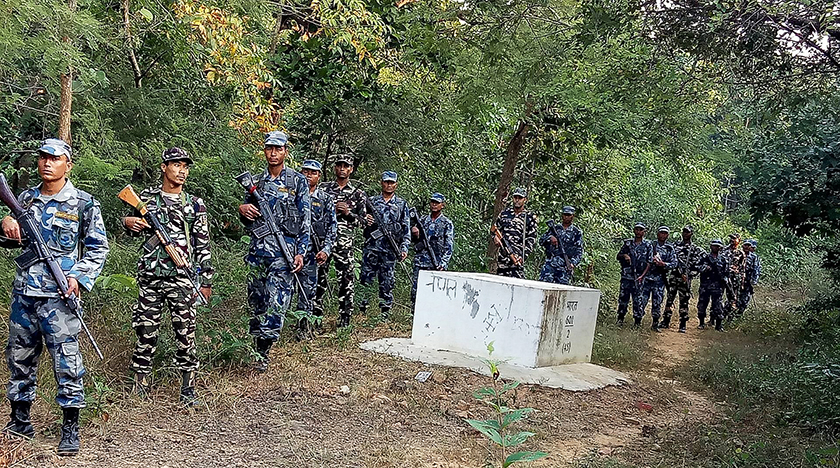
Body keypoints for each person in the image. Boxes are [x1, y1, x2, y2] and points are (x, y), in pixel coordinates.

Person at [1, 138, 109, 455]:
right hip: (25, 295)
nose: (48, 163)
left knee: (67, 363)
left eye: (55, 158)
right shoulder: (24, 199)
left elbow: (98, 248)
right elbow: (13, 242)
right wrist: (5, 222)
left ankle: (70, 429)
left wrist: (78, 276)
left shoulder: (83, 203)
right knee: (19, 360)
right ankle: (20, 422)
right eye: (43, 157)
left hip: (59, 299)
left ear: (68, 164)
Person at [123, 147, 213, 404]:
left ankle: (188, 387)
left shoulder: (194, 204)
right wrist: (128, 222)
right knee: (145, 330)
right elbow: (132, 228)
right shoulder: (147, 199)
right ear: (164, 167)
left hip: (181, 277)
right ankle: (140, 385)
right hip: (150, 276)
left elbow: (202, 244)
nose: (181, 170)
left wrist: (205, 279)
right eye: (176, 165)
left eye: (185, 166)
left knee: (186, 332)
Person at [238, 131, 310, 371]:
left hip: (283, 251)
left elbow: (305, 219)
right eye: (269, 148)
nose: (273, 153)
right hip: (258, 251)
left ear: (285, 152)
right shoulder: (256, 181)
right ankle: (256, 343)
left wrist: (300, 252)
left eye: (278, 149)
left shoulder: (297, 181)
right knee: (256, 299)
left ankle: (264, 350)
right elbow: (246, 217)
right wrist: (243, 209)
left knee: (276, 300)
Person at [320, 154, 366, 328]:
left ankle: (345, 319)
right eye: (339, 165)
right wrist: (331, 208)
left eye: (345, 166)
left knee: (346, 281)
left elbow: (363, 223)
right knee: (319, 279)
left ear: (351, 169)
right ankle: (314, 318)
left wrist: (348, 213)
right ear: (334, 168)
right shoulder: (323, 189)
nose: (342, 168)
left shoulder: (358, 194)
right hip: (323, 241)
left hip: (345, 244)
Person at [360, 171, 410, 321]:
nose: (389, 185)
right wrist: (365, 218)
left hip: (389, 250)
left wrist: (404, 248)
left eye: (391, 182)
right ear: (381, 183)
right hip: (371, 248)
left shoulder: (401, 204)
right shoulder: (372, 201)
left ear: (396, 184)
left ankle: (385, 313)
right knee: (366, 279)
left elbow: (406, 228)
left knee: (387, 281)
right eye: (386, 182)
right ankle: (362, 310)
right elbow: (360, 219)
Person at [298, 160, 337, 336]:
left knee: (308, 292)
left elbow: (332, 227)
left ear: (319, 176)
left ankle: (303, 328)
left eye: (312, 172)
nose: (308, 175)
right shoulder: (292, 194)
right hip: (290, 250)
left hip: (313, 252)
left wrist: (326, 250)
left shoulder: (325, 199)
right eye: (305, 171)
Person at [410, 193, 454, 305]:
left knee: (434, 294)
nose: (434, 205)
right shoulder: (423, 220)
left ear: (442, 205)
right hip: (420, 262)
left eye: (437, 203)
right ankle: (414, 317)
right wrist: (415, 233)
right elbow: (413, 240)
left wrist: (443, 264)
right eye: (432, 202)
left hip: (436, 263)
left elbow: (449, 246)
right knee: (416, 292)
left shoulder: (446, 223)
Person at [664, 225, 705, 333]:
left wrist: (690, 274)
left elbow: (699, 264)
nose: (685, 234)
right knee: (669, 299)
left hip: (685, 279)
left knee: (684, 302)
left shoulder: (695, 249)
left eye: (687, 232)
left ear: (691, 233)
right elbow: (670, 259)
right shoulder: (675, 245)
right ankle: (665, 321)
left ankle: (682, 324)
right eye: (684, 232)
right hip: (674, 277)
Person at [493, 187, 537, 278]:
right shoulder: (505, 213)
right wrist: (495, 238)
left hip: (516, 257)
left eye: (520, 198)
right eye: (515, 197)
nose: (517, 200)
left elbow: (531, 240)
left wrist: (522, 257)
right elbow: (494, 229)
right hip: (503, 257)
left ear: (525, 199)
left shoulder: (529, 217)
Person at [639, 226, 677, 331]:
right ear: (657, 234)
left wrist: (663, 264)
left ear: (668, 235)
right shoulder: (650, 245)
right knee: (641, 301)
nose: (663, 235)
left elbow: (674, 263)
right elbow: (641, 258)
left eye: (665, 233)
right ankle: (637, 322)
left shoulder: (669, 248)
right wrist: (650, 260)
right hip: (647, 278)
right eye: (661, 233)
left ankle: (655, 324)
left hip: (660, 280)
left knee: (657, 302)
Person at [616, 223, 652, 327]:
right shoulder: (627, 243)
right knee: (623, 298)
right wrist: (625, 255)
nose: (638, 232)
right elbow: (618, 256)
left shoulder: (648, 245)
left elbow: (649, 262)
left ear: (644, 232)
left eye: (641, 230)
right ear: (634, 230)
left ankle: (637, 322)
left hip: (639, 276)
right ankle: (620, 319)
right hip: (626, 276)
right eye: (637, 229)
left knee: (638, 300)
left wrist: (642, 276)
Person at [538, 205, 583, 285]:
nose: (566, 217)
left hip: (565, 267)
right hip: (551, 264)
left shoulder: (576, 232)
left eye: (569, 215)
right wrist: (550, 238)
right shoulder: (555, 228)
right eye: (565, 215)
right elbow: (541, 241)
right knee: (543, 287)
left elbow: (579, 252)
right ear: (562, 215)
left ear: (573, 216)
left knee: (562, 292)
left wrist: (572, 263)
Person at [697, 239, 730, 331]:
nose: (715, 247)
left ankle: (719, 325)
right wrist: (705, 268)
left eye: (717, 246)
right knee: (702, 304)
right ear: (711, 246)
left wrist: (725, 280)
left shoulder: (723, 259)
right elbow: (697, 267)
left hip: (718, 286)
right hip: (705, 285)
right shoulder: (704, 257)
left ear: (720, 247)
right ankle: (701, 323)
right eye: (714, 245)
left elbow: (727, 273)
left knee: (718, 305)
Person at [720, 233, 745, 318]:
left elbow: (742, 269)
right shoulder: (723, 250)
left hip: (734, 279)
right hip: (722, 277)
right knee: (717, 298)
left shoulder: (740, 253)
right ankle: (714, 318)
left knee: (733, 299)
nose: (732, 240)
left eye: (734, 239)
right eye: (731, 238)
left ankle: (727, 317)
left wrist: (742, 282)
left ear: (739, 240)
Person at [736, 239, 761, 317]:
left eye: (749, 246)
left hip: (747, 282)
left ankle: (738, 316)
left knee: (744, 301)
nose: (748, 247)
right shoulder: (737, 254)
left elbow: (756, 269)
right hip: (736, 281)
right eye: (745, 245)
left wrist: (754, 281)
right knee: (733, 300)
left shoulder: (753, 257)